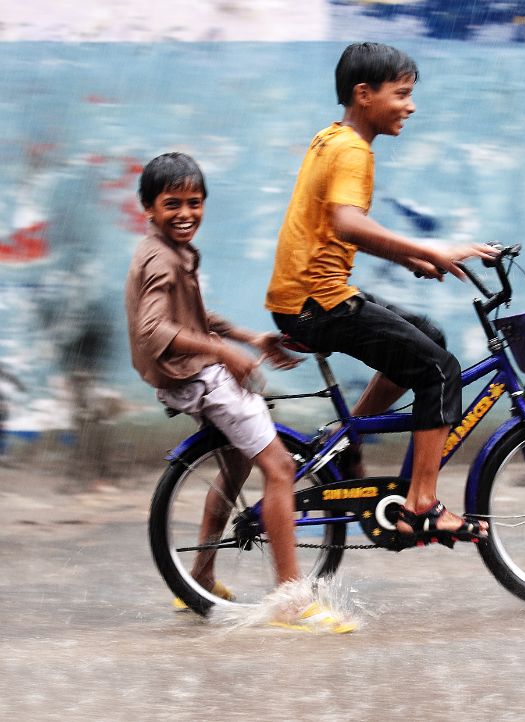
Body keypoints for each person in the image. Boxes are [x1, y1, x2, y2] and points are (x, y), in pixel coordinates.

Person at [266, 42, 496, 545]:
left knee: (426, 336)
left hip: (305, 299)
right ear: (364, 95)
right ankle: (423, 508)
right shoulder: (353, 150)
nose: (410, 105)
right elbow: (348, 222)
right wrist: (430, 247)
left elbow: (334, 229)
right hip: (319, 304)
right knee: (439, 369)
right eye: (402, 94)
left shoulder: (331, 139)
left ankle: (347, 439)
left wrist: (408, 258)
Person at [125, 152, 354, 633]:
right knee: (281, 467)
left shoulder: (173, 251)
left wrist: (248, 339)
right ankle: (291, 599)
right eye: (172, 204)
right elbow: (153, 330)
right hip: (200, 378)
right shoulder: (161, 260)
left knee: (236, 464)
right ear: (148, 207)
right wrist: (223, 355)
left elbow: (194, 318)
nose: (186, 214)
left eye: (194, 202)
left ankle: (201, 575)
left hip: (188, 375)